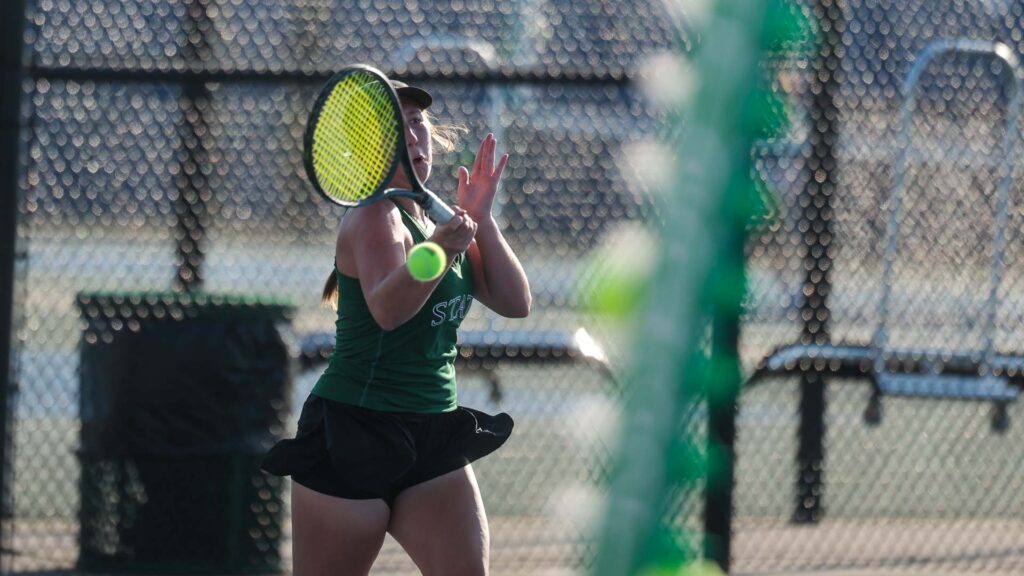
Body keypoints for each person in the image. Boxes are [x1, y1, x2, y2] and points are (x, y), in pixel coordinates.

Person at [261, 79, 531, 576]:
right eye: (393, 126)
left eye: (416, 122)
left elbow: (515, 302)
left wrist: (482, 219)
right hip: (355, 430)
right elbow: (389, 310)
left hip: (432, 430)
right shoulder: (374, 216)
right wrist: (443, 248)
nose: (411, 135)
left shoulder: (438, 222)